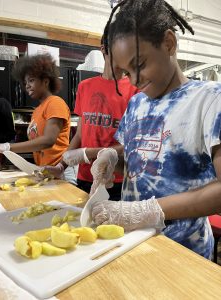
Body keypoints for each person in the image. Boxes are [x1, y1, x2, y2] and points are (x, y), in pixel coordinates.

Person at [89, 0, 221, 259]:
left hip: (182, 253)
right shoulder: (137, 103)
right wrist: (112, 157)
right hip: (130, 245)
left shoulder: (209, 100)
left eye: (139, 65)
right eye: (126, 73)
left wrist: (147, 211)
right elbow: (140, 159)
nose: (135, 81)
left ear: (169, 43)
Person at [44, 38, 138, 199]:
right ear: (104, 49)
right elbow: (80, 134)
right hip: (85, 177)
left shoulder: (135, 90)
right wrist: (61, 166)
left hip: (115, 179)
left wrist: (87, 153)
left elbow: (131, 144)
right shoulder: (85, 86)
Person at [0, 54, 71, 169]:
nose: (27, 86)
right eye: (25, 83)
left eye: (31, 80)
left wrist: (7, 147)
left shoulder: (55, 102)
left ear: (45, 81)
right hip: (45, 170)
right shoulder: (36, 111)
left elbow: (48, 140)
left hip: (60, 170)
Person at [0, 85, 16, 168]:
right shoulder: (4, 102)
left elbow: (10, 131)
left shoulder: (1, 103)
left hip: (0, 148)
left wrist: (2, 147)